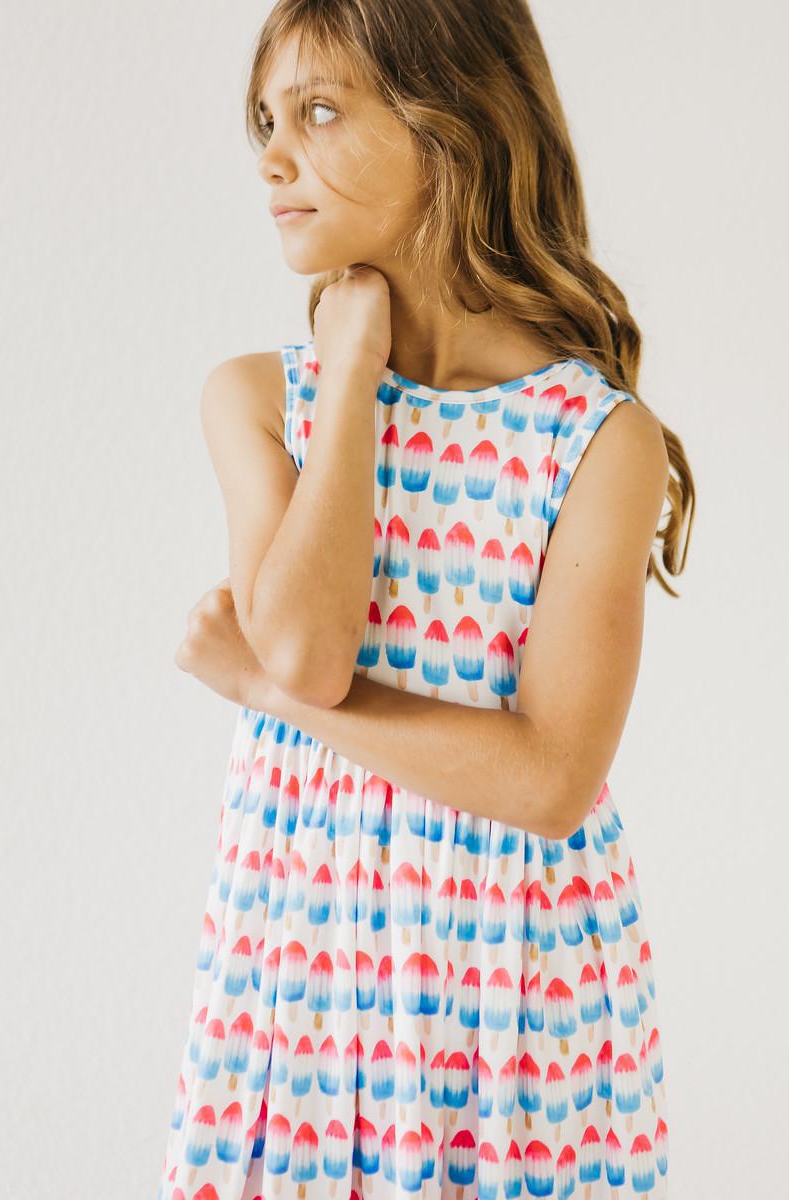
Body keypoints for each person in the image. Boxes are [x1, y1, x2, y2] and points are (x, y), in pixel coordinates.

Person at [158, 3, 694, 1198]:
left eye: (320, 111)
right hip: (302, 966)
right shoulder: (258, 399)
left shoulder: (596, 442)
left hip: (511, 993)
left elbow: (550, 780)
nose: (272, 157)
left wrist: (257, 693)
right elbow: (305, 648)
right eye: (265, 121)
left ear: (448, 126)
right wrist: (350, 371)